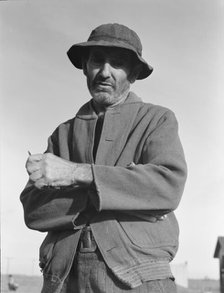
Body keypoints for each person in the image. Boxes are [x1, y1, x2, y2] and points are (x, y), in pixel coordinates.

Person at [20, 23, 187, 293]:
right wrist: (122, 195)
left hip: (138, 278)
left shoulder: (157, 119)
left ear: (133, 73)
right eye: (97, 60)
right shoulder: (62, 134)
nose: (104, 73)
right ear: (85, 66)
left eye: (118, 63)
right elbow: (34, 211)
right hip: (63, 279)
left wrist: (74, 175)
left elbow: (167, 188)